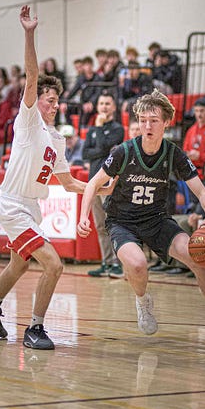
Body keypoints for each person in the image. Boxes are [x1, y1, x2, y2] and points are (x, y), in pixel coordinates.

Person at [0, 5, 110, 351]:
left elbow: (67, 183)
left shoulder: (58, 139)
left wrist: (103, 188)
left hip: (32, 208)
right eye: (48, 99)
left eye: (55, 101)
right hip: (12, 205)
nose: (53, 105)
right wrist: (30, 33)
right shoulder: (28, 122)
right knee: (54, 264)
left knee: (18, 264)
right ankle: (35, 328)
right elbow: (32, 77)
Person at [77, 89, 205, 347]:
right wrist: (83, 216)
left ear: (166, 123)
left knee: (198, 259)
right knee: (137, 265)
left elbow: (202, 190)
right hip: (122, 222)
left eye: (154, 120)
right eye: (143, 120)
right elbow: (93, 184)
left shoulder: (173, 153)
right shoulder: (124, 151)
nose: (147, 126)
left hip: (157, 220)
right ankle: (142, 301)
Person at [82, 92, 125, 278]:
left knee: (112, 224)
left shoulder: (117, 129)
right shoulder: (92, 129)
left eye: (108, 103)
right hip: (93, 183)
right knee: (100, 225)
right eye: (101, 103)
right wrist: (99, 143)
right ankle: (106, 262)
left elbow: (99, 148)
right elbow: (86, 153)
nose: (104, 106)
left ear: (114, 107)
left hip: (109, 182)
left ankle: (117, 264)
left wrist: (99, 130)